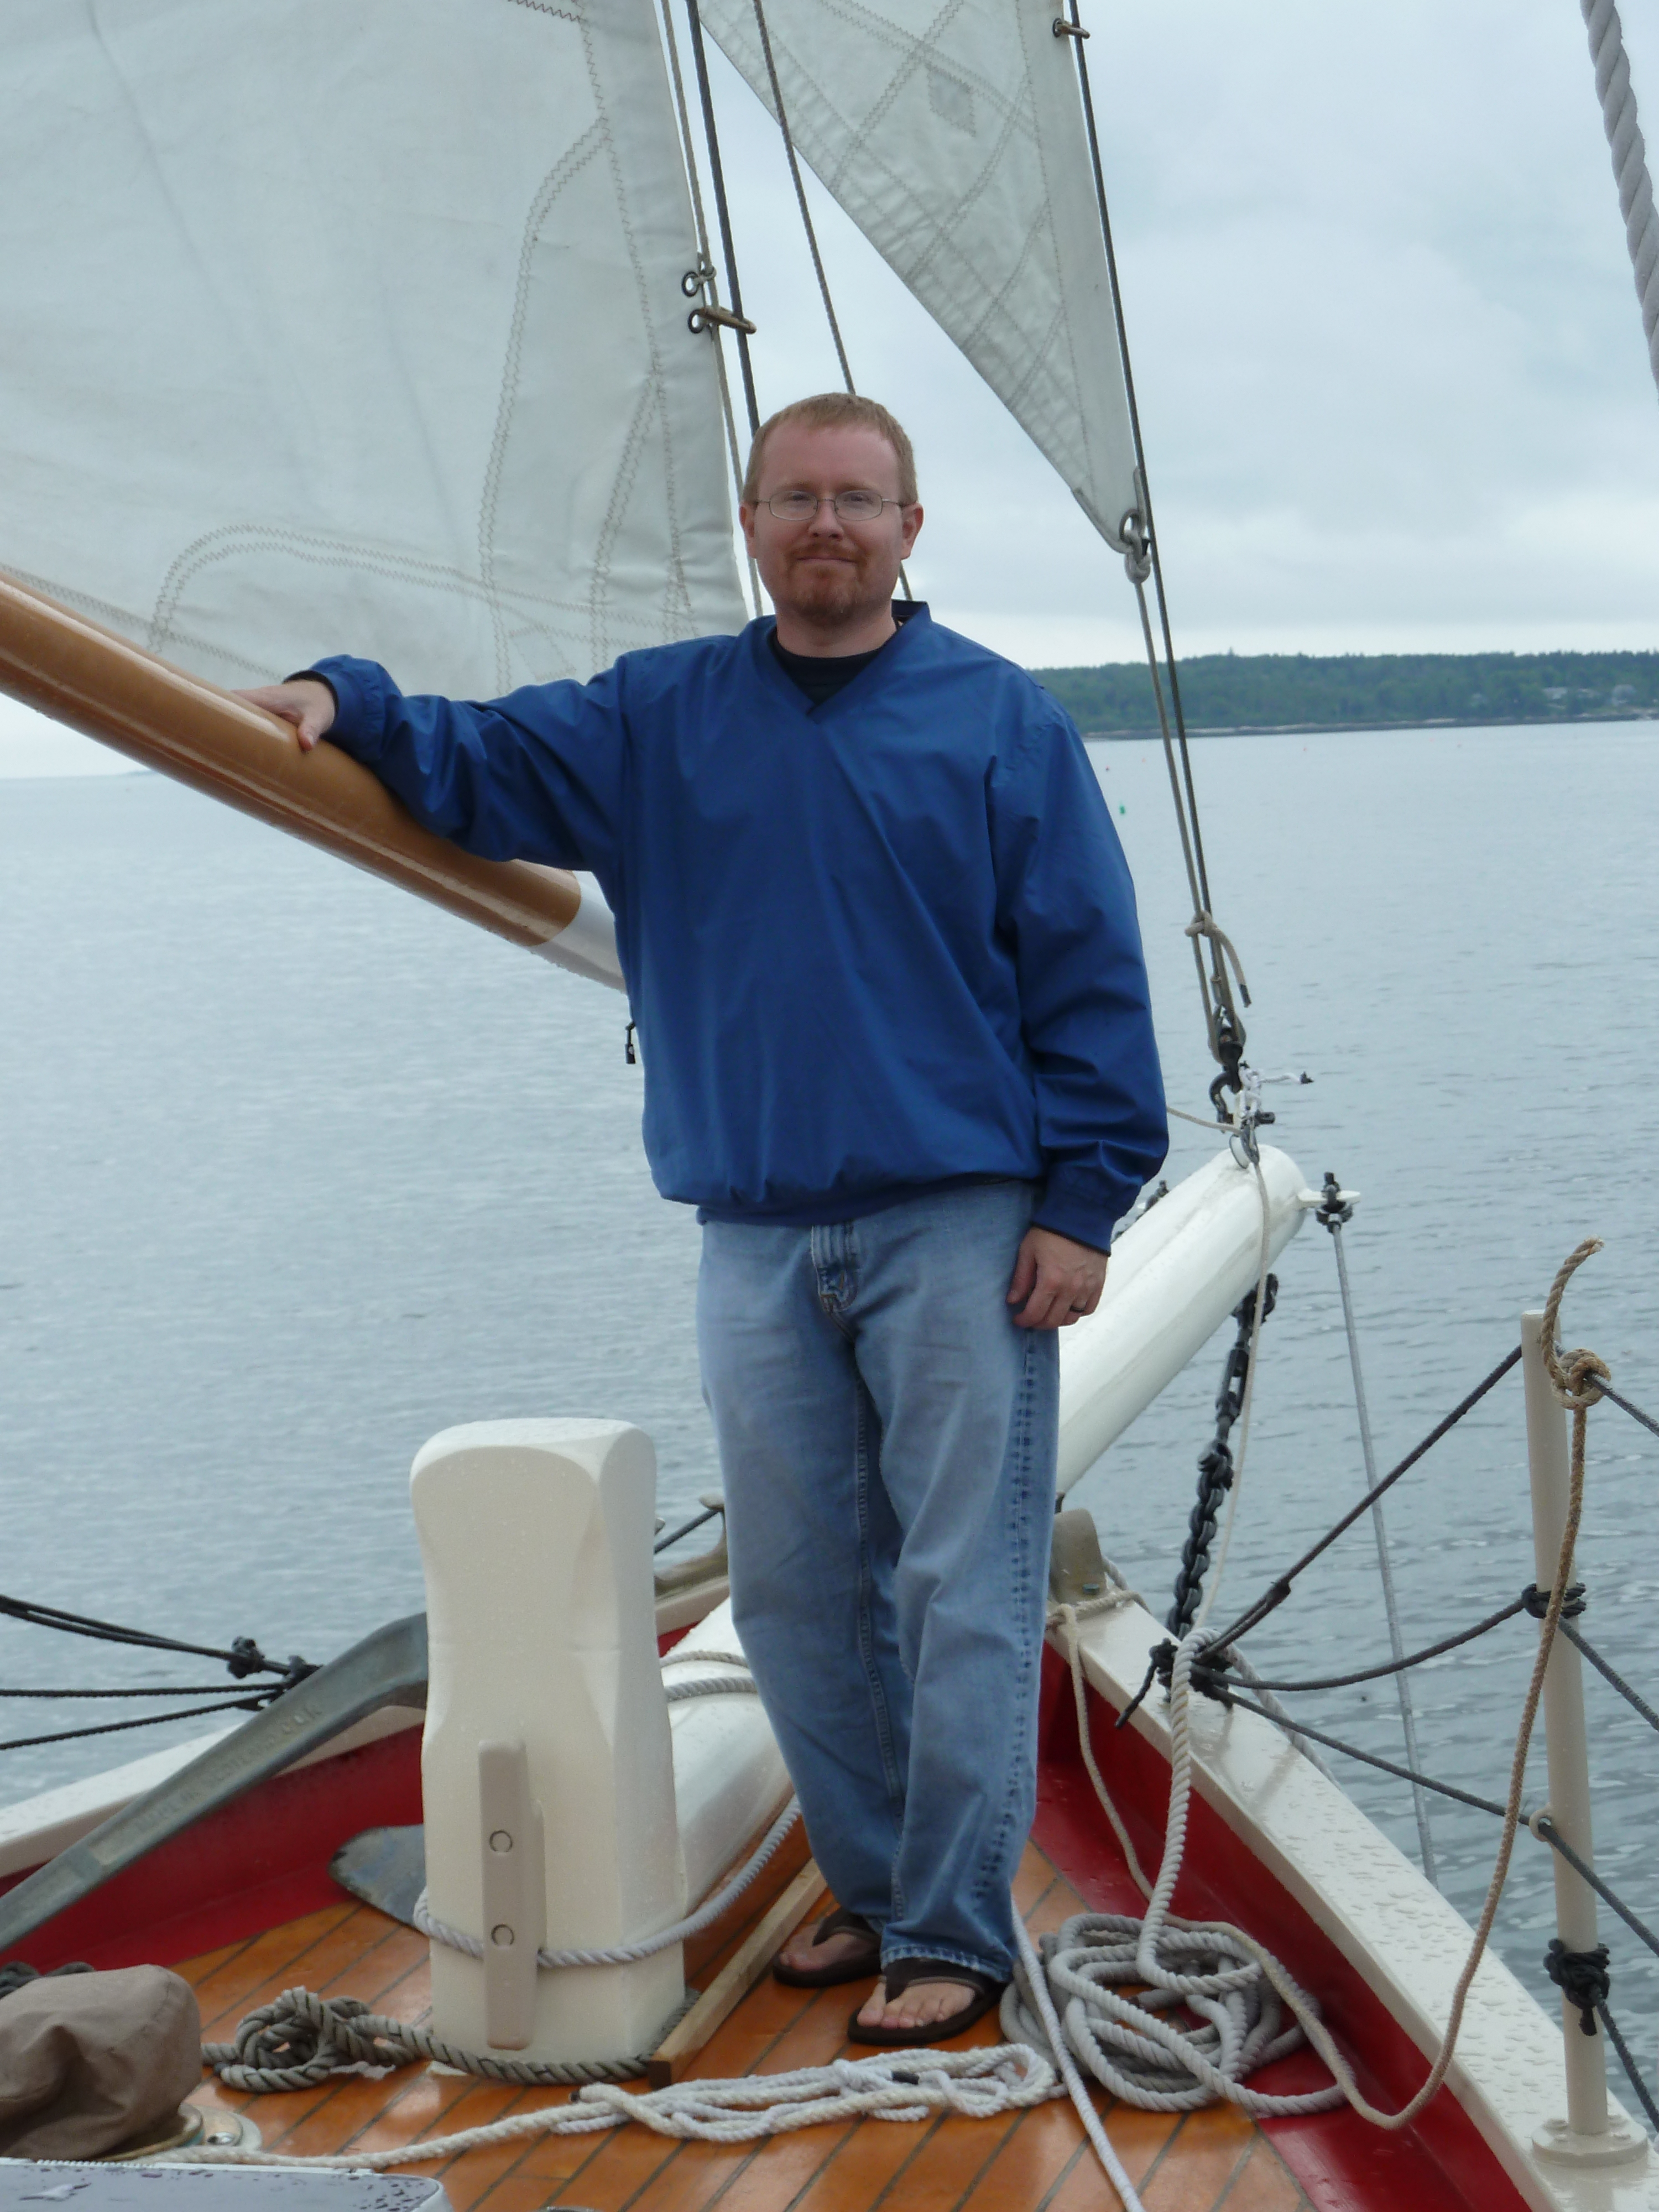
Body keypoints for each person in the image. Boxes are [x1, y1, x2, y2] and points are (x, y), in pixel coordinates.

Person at [240, 392, 1167, 2046]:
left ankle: (954, 1927)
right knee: (802, 1594)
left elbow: (1088, 972)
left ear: (909, 530)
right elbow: (471, 759)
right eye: (797, 498)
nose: (828, 525)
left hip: (962, 1221)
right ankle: (880, 1892)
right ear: (751, 526)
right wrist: (345, 695)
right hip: (752, 1233)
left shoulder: (1000, 725)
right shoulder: (661, 719)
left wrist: (1086, 1203)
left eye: (860, 501)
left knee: (962, 1584)